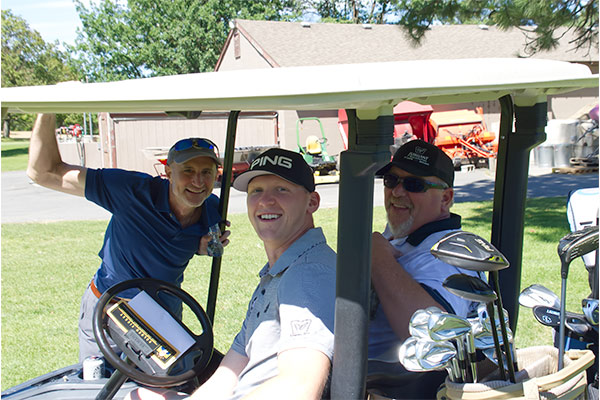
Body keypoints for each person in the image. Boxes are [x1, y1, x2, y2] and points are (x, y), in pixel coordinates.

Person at [127, 148, 336, 400]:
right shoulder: (278, 273)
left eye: (281, 189)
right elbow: (228, 375)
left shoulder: (308, 274)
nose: (265, 201)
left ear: (312, 202)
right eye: (256, 191)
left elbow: (299, 387)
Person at [27, 114, 230, 362]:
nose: (198, 181)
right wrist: (46, 111)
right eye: (188, 170)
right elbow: (43, 173)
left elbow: (187, 241)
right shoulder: (130, 191)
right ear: (168, 171)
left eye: (206, 172)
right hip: (111, 309)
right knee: (99, 380)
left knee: (171, 382)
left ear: (216, 174)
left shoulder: (213, 208)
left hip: (163, 315)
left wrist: (200, 247)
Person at [368, 139, 481, 359]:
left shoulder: (451, 254)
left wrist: (379, 258)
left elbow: (435, 336)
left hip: (389, 377)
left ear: (445, 198)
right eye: (391, 180)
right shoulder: (403, 232)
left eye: (414, 185)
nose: (397, 192)